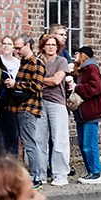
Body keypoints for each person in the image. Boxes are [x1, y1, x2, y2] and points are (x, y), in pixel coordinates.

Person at [1, 35, 43, 182]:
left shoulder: (36, 63)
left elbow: (37, 86)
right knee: (25, 142)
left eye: (19, 48)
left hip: (28, 108)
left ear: (28, 45)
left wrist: (15, 85)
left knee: (29, 143)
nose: (17, 51)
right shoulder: (24, 62)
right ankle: (34, 175)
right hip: (19, 107)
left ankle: (36, 176)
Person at [38, 35, 73, 186]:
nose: (51, 47)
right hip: (39, 102)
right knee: (39, 140)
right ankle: (40, 174)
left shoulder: (61, 61)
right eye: (48, 44)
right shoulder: (38, 61)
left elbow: (56, 80)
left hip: (57, 103)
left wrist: (38, 81)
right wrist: (44, 81)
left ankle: (60, 174)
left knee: (59, 139)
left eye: (53, 44)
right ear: (43, 46)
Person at [72, 46, 101, 184]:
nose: (75, 56)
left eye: (77, 53)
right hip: (82, 113)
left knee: (89, 144)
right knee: (82, 144)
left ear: (83, 55)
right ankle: (90, 172)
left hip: (91, 112)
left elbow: (96, 87)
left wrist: (77, 87)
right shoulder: (81, 70)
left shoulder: (91, 68)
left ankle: (95, 172)